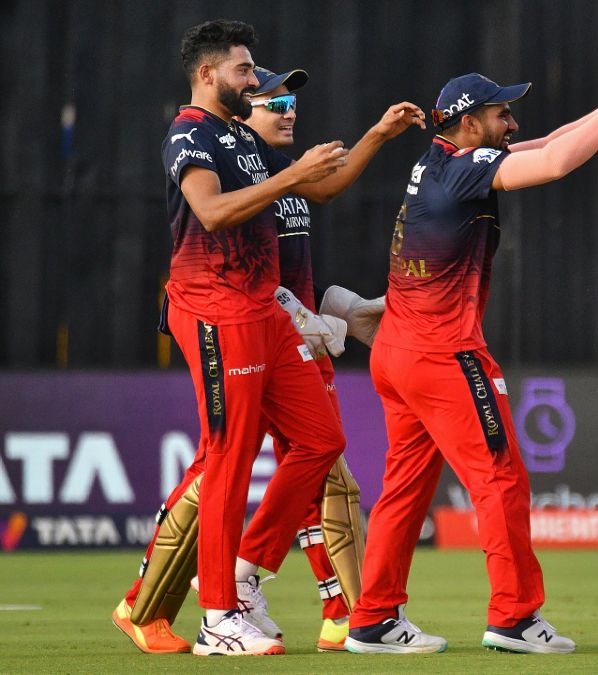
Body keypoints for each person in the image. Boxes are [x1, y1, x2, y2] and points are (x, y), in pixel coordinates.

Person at [109, 19, 419, 657]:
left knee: (321, 440)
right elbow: (211, 211)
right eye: (245, 70)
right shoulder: (189, 134)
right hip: (217, 311)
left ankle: (244, 574)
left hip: (265, 312)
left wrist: (375, 136)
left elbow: (320, 187)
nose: (255, 81)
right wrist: (290, 175)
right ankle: (218, 618)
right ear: (207, 74)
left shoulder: (240, 136)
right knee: (228, 459)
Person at [343, 44, 598, 656]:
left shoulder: (439, 158)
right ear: (470, 122)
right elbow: (554, 162)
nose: (513, 123)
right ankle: (514, 617)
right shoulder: (464, 168)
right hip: (443, 354)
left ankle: (373, 619)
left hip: (397, 349)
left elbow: (542, 145)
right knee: (500, 480)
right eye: (502, 114)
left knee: (404, 488)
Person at [224, 65, 423, 652]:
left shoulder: (277, 169)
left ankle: (338, 611)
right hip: (264, 344)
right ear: (242, 109)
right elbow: (231, 268)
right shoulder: (237, 175)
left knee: (320, 476)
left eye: (293, 102)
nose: (290, 111)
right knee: (313, 473)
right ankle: (239, 585)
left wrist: (377, 135)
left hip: (300, 342)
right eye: (275, 102)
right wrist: (293, 312)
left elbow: (327, 189)